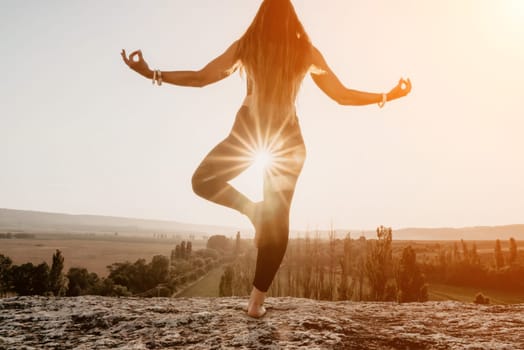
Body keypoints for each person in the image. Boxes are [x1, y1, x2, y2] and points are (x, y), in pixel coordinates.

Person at [121, 0, 411, 318]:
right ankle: (256, 300)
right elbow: (341, 95)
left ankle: (256, 254)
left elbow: (202, 77)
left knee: (206, 183)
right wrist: (387, 95)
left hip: (253, 136)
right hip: (280, 143)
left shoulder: (250, 46)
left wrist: (152, 73)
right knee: (275, 220)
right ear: (293, 19)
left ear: (261, 16)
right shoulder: (304, 52)